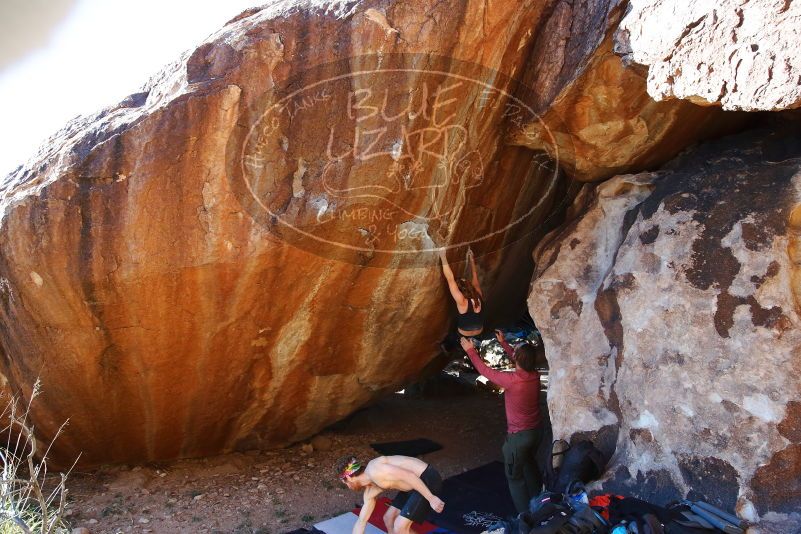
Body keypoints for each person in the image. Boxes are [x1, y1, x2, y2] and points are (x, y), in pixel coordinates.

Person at [460, 331, 544, 513]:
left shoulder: (512, 381)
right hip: (536, 432)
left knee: (515, 478)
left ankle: (525, 518)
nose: (513, 351)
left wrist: (470, 351)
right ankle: (542, 502)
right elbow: (520, 357)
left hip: (518, 438)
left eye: (515, 351)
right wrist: (503, 342)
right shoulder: (534, 376)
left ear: (518, 358)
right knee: (529, 462)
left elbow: (485, 371)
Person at [336, 455, 445, 534]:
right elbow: (361, 522)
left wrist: (431, 498)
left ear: (349, 478)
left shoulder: (376, 470)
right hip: (411, 486)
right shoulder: (370, 490)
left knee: (399, 527)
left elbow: (409, 475)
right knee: (388, 519)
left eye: (345, 483)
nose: (348, 487)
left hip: (426, 479)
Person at [439, 248, 484, 337]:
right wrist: (472, 259)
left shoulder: (462, 300)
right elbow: (474, 276)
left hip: (469, 331)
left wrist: (442, 256)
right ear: (470, 286)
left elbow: (450, 278)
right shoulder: (478, 294)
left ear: (459, 291)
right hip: (478, 329)